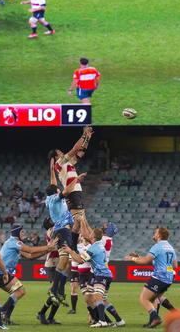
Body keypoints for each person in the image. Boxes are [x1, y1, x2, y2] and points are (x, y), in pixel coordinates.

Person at [0, 225, 57, 325]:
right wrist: (49, 246)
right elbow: (31, 250)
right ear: (17, 233)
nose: (24, 233)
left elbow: (30, 256)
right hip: (0, 272)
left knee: (16, 293)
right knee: (20, 291)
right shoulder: (15, 242)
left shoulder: (13, 243)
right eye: (22, 232)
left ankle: (6, 317)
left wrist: (48, 250)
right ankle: (3, 310)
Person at [63, 228, 125, 328]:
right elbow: (90, 238)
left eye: (91, 233)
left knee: (97, 297)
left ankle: (102, 321)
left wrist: (70, 251)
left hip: (101, 274)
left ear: (94, 236)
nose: (89, 234)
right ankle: (119, 320)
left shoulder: (93, 248)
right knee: (103, 300)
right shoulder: (100, 244)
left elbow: (79, 260)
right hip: (107, 274)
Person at [45, 171, 88, 307]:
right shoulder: (53, 198)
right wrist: (76, 179)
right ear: (55, 192)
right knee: (64, 260)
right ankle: (54, 290)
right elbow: (64, 190)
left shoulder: (53, 198)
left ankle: (58, 291)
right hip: (61, 229)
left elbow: (53, 184)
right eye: (58, 189)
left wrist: (52, 168)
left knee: (69, 262)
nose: (60, 190)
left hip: (67, 230)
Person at [48, 125, 95, 248]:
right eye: (59, 152)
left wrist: (87, 139)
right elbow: (75, 149)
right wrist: (84, 135)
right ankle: (91, 246)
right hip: (72, 193)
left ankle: (93, 245)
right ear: (56, 157)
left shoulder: (66, 163)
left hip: (76, 192)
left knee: (83, 223)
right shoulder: (60, 163)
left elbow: (80, 152)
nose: (62, 152)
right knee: (81, 223)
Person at [124, 227, 178, 329]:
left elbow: (145, 261)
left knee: (144, 298)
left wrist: (132, 258)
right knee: (154, 298)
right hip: (169, 278)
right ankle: (153, 321)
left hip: (159, 277)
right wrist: (139, 256)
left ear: (159, 235)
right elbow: (175, 266)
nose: (154, 234)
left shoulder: (157, 246)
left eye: (155, 232)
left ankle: (155, 318)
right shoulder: (170, 247)